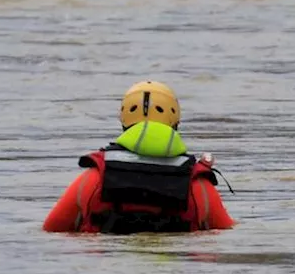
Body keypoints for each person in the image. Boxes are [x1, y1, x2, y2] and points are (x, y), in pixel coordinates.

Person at [43, 81, 235, 234]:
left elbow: (52, 229)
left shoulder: (93, 178)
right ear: (175, 122)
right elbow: (225, 233)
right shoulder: (199, 186)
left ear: (124, 121)